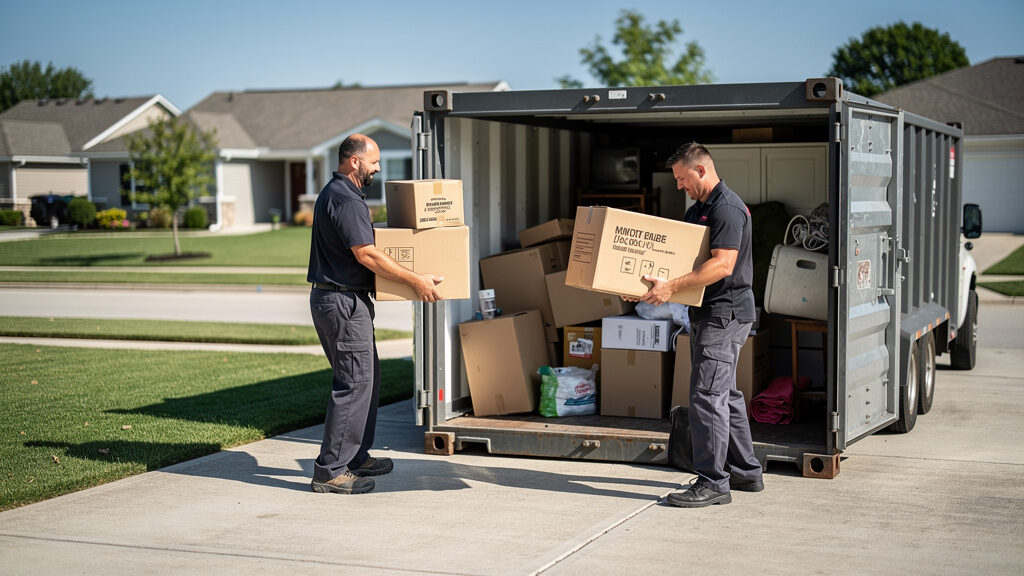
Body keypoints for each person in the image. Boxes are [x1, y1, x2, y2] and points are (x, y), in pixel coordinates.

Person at [307, 134, 444, 494]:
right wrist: (416, 280)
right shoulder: (344, 198)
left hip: (343, 300)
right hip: (342, 302)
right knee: (353, 384)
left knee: (367, 380)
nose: (378, 168)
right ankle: (330, 470)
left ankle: (354, 456)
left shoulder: (341, 195)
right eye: (374, 161)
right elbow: (366, 254)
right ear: (354, 161)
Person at [632, 142, 763, 507]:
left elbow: (722, 265)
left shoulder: (727, 209)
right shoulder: (698, 211)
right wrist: (641, 288)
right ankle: (746, 473)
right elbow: (680, 262)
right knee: (726, 395)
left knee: (707, 397)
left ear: (701, 170)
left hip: (725, 315)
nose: (678, 186)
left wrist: (671, 287)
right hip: (708, 315)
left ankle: (713, 483)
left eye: (681, 178)